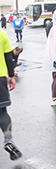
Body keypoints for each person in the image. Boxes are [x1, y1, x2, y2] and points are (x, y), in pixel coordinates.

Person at [0, 27, 22, 160]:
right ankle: (8, 140)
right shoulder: (1, 33)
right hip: (0, 78)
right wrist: (12, 76)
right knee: (2, 112)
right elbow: (9, 57)